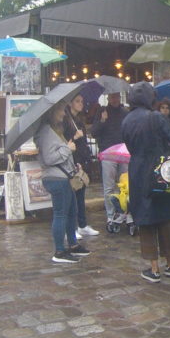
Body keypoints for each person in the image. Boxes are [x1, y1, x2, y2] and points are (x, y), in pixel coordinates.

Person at [121, 82, 170, 283]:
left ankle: (153, 268)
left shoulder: (126, 121)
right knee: (167, 216)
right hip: (161, 171)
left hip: (137, 172)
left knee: (145, 218)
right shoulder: (156, 117)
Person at [36, 101, 90, 264]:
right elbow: (49, 158)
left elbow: (59, 152)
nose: (64, 113)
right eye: (60, 110)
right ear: (52, 112)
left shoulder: (55, 131)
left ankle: (73, 245)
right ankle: (59, 251)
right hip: (55, 178)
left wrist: (73, 164)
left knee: (72, 211)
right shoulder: (46, 132)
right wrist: (68, 149)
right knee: (60, 214)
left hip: (64, 177)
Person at [91, 92, 128, 232]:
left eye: (117, 97)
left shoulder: (125, 112)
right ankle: (111, 215)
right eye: (112, 97)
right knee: (109, 187)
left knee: (124, 185)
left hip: (123, 152)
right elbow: (94, 132)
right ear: (108, 98)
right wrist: (102, 121)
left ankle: (123, 212)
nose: (115, 99)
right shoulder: (102, 112)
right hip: (108, 152)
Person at [65, 93, 98, 237]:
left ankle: (82, 224)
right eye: (77, 101)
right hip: (72, 160)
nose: (81, 104)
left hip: (82, 159)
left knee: (81, 194)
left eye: (82, 101)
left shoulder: (78, 120)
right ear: (71, 103)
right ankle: (72, 227)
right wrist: (74, 137)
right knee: (73, 195)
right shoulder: (66, 121)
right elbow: (65, 142)